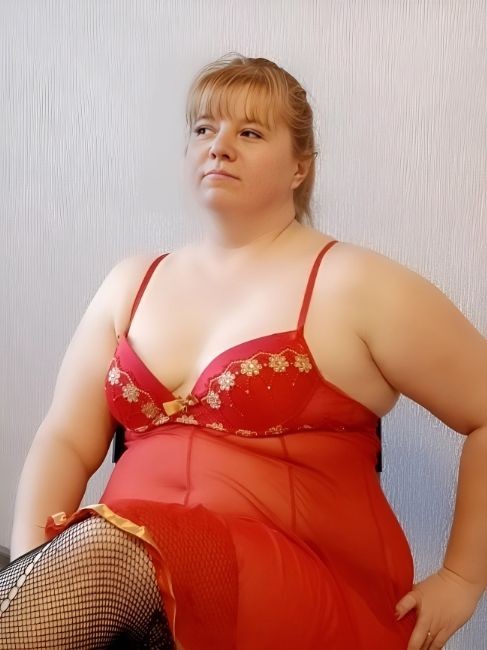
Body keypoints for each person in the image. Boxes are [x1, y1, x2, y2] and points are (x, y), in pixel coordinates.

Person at [1, 53, 486, 650]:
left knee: (107, 544)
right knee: (86, 558)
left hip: (300, 585)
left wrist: (463, 579)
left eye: (250, 133)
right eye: (204, 128)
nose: (219, 146)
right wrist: (31, 572)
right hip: (130, 585)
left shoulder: (357, 283)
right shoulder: (131, 283)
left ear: (300, 167)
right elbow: (65, 439)